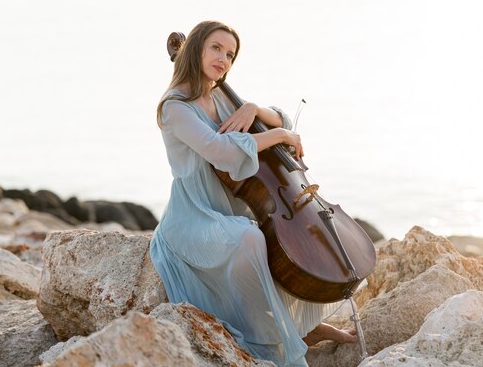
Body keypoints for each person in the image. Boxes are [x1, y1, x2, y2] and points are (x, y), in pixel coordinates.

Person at [150, 21, 356, 367]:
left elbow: (281, 119)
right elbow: (220, 150)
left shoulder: (220, 95)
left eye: (230, 54)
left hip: (234, 207)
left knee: (279, 239)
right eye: (216, 48)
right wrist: (278, 138)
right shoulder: (175, 108)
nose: (224, 59)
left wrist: (253, 109)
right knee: (247, 238)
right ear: (197, 47)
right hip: (194, 216)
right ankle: (279, 339)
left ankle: (299, 328)